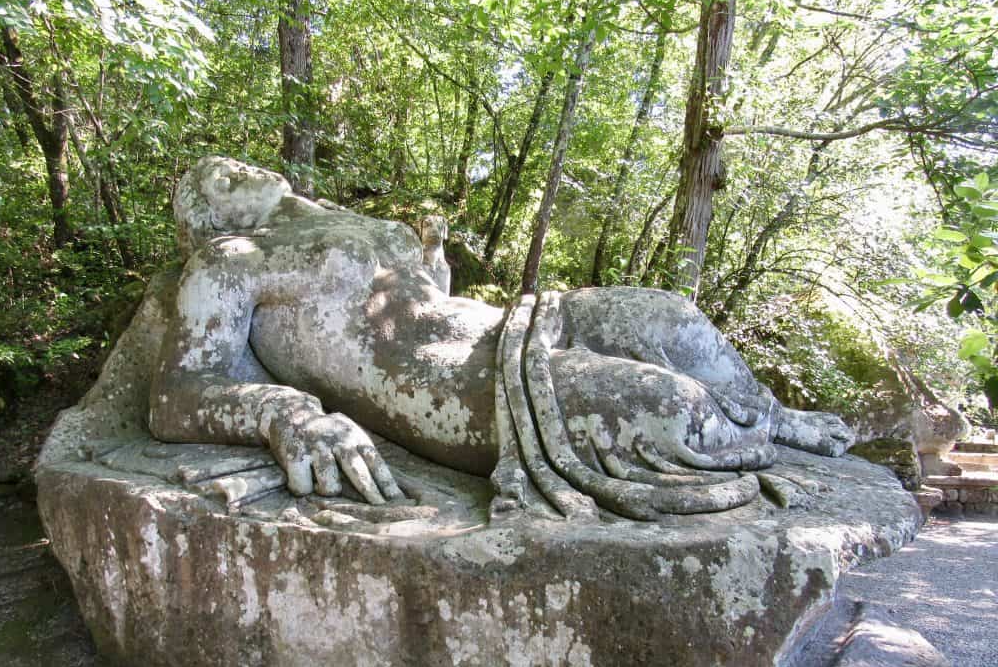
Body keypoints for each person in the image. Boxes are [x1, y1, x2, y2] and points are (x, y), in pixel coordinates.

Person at [150, 157, 853, 508]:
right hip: (469, 387)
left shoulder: (346, 224)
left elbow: (424, 301)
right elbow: (178, 393)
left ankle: (770, 419)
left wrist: (430, 262)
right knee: (674, 412)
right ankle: (740, 440)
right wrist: (284, 412)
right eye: (217, 179)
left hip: (520, 320)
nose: (236, 169)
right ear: (206, 221)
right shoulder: (228, 261)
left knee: (674, 316)